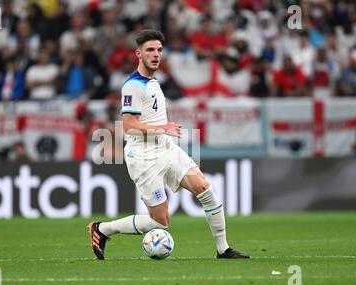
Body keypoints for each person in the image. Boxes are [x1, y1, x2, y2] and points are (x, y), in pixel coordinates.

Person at [87, 29, 249, 260]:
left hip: (165, 148)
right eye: (150, 50)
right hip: (143, 157)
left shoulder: (154, 82)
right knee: (160, 223)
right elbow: (130, 125)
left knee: (204, 188)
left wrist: (163, 132)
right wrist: (163, 128)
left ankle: (223, 249)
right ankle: (102, 229)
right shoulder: (133, 85)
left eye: (159, 50)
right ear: (138, 54)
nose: (155, 54)